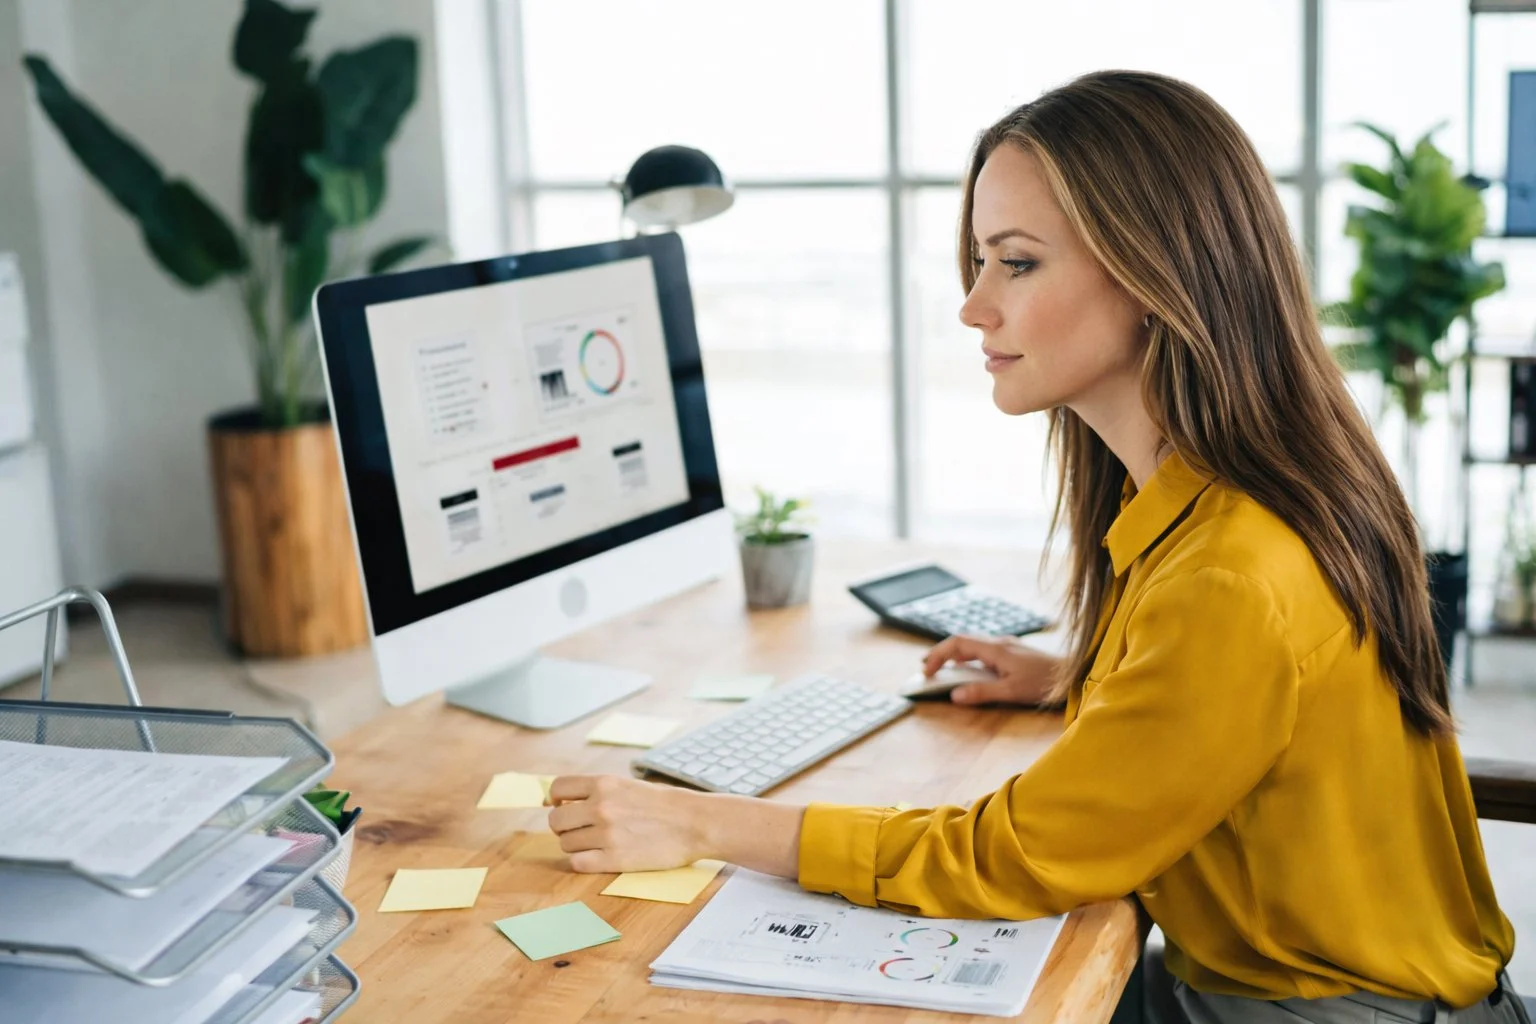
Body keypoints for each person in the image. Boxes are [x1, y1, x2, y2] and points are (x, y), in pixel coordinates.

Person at [544, 70, 1527, 1023]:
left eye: (1015, 261)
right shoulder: (1230, 501)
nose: (975, 305)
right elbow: (1261, 711)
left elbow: (1013, 855)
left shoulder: (1231, 572)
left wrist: (700, 822)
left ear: (1156, 273)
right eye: (978, 261)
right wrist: (1094, 679)